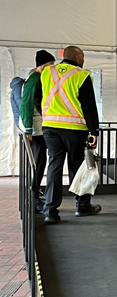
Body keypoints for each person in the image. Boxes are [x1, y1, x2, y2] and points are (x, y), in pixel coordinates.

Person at [36, 46, 101, 224]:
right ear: (78, 56)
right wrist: (94, 131)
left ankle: (50, 210)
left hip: (50, 127)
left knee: (54, 166)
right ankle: (82, 206)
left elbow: (37, 97)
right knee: (78, 167)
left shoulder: (47, 72)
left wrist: (47, 116)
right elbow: (89, 106)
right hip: (75, 129)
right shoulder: (81, 75)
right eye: (83, 56)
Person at [20, 50, 56, 212]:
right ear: (41, 65)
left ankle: (34, 195)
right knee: (38, 164)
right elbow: (26, 104)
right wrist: (28, 129)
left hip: (40, 128)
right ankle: (33, 198)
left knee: (40, 163)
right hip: (36, 130)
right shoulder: (34, 80)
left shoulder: (39, 78)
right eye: (50, 65)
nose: (52, 68)